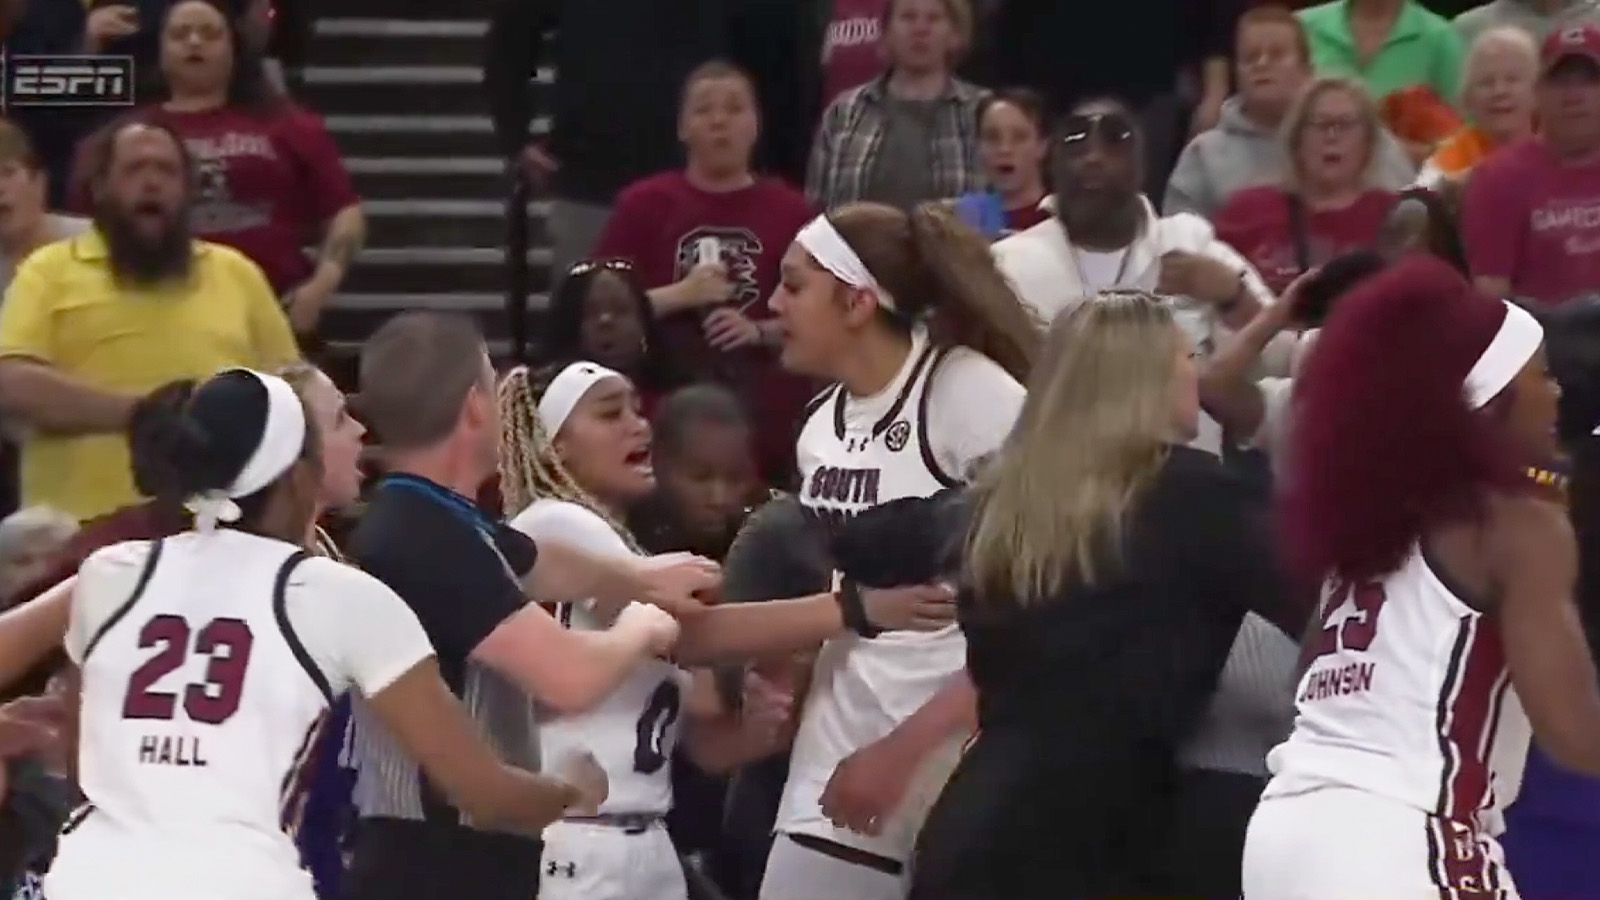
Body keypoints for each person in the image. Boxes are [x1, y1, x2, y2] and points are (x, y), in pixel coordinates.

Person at [41, 367, 607, 900]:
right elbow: (483, 795)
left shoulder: (109, 574)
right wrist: (570, 789)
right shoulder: (337, 596)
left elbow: (82, 766)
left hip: (89, 879)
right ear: (298, 474)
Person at [882, 290, 1298, 900]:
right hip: (1097, 842)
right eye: (1188, 357)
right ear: (1146, 376)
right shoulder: (1199, 499)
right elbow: (1326, 614)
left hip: (975, 827)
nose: (1197, 375)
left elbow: (862, 539)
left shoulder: (1003, 500)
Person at [494, 360, 956, 900]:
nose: (638, 425)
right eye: (609, 413)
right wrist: (853, 608)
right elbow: (696, 636)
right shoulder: (556, 522)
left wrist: (757, 728)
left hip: (641, 841)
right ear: (557, 447)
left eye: (637, 410)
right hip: (579, 842)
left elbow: (705, 743)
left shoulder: (627, 552)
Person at [1238, 257, 1600, 899]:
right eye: (1539, 374)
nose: (1557, 393)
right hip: (1406, 833)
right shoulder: (1517, 524)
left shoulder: (1371, 524)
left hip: (1281, 835)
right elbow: (1575, 731)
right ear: (1490, 398)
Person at [339, 312, 704, 900]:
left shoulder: (439, 517)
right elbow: (569, 678)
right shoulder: (421, 535)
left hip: (458, 853)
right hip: (436, 857)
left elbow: (538, 560)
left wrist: (635, 574)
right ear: (475, 407)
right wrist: (641, 625)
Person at [758, 201, 1031, 900]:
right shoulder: (817, 427)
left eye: (793, 284)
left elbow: (1042, 607)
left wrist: (904, 750)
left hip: (952, 754)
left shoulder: (970, 392)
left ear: (856, 300)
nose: (772, 301)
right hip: (835, 756)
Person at [0, 117, 300, 523]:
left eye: (166, 170)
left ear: (187, 190)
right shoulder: (48, 270)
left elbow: (293, 392)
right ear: (101, 187)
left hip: (216, 532)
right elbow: (11, 382)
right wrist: (142, 415)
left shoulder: (237, 273)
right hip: (78, 538)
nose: (151, 182)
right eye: (134, 169)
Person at [995, 97, 1281, 454]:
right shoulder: (1010, 265)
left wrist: (1234, 296)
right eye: (1076, 143)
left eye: (1114, 140)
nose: (1094, 157)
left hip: (1189, 482)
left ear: (1141, 166)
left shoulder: (1188, 242)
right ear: (1053, 163)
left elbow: (1282, 359)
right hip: (1062, 481)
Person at [592, 60, 815, 485]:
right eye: (704, 110)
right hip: (661, 412)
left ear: (755, 125)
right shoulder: (643, 205)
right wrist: (680, 294)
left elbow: (823, 312)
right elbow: (593, 307)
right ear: (682, 127)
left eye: (733, 109)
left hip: (764, 420)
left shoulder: (792, 211)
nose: (719, 122)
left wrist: (758, 330)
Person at [135, 0, 363, 336]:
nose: (194, 42)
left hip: (273, 312)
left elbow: (346, 212)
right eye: (180, 34)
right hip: (160, 314)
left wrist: (319, 287)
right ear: (161, 50)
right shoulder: (130, 135)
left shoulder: (287, 124)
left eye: (209, 33)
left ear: (233, 47)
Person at [1165, 4, 1416, 219]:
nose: (1262, 64)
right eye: (1250, 58)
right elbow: (1181, 247)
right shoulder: (1205, 155)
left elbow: (1409, 217)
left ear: (1307, 68)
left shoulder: (1362, 137)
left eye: (1277, 55)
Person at [1213, 76, 1398, 294]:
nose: (1332, 136)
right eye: (1320, 124)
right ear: (1297, 139)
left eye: (1345, 125)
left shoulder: (1393, 216)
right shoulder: (1246, 211)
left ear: (1368, 141)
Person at [1463, 22, 1600, 305]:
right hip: (1548, 340)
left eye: (1589, 80)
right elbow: (1491, 298)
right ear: (1537, 92)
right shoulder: (1498, 178)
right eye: (1560, 81)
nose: (1574, 95)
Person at [805, 0, 985, 212]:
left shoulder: (982, 112)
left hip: (958, 245)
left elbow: (1000, 210)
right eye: (908, 17)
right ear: (886, 32)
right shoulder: (843, 113)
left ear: (955, 35)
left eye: (933, 19)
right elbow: (815, 214)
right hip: (854, 245)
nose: (920, 29)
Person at [1418, 26, 1538, 186]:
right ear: (1468, 98)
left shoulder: (1559, 144)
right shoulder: (1451, 155)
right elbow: (1421, 197)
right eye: (1486, 83)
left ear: (1538, 90)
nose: (1499, 91)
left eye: (1512, 80)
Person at [952, 89, 1051, 239]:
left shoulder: (1060, 216)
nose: (1004, 149)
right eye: (992, 138)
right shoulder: (966, 218)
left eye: (1019, 138)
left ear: (1042, 146)